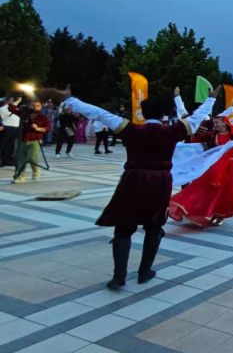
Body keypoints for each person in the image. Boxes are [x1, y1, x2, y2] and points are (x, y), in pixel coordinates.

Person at [63, 86, 218, 288]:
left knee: (123, 228)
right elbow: (196, 118)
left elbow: (100, 113)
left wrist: (71, 100)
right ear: (163, 115)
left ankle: (118, 277)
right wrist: (210, 100)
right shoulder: (172, 131)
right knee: (154, 227)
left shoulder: (130, 129)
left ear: (142, 114)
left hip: (132, 180)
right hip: (160, 182)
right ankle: (145, 272)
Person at [169, 108, 233, 227]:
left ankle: (220, 215)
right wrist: (194, 133)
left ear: (224, 122)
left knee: (228, 192)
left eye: (217, 122)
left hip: (231, 168)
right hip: (215, 165)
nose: (215, 125)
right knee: (206, 188)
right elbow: (195, 140)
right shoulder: (213, 135)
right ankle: (201, 211)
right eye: (214, 123)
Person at [9, 98, 52, 183]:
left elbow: (48, 128)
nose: (35, 107)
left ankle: (36, 171)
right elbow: (11, 109)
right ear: (29, 105)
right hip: (22, 139)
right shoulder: (24, 113)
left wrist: (38, 128)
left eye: (38, 106)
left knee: (32, 158)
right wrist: (17, 101)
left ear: (41, 107)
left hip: (35, 140)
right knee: (20, 159)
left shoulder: (42, 117)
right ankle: (20, 177)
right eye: (33, 105)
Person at [0, 97, 21, 167]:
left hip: (15, 128)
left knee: (10, 146)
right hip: (7, 127)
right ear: (6, 101)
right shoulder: (3, 108)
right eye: (11, 100)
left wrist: (18, 101)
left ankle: (7, 160)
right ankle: (1, 160)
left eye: (12, 100)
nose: (12, 102)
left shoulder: (15, 108)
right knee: (3, 145)